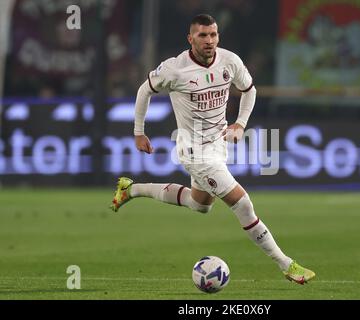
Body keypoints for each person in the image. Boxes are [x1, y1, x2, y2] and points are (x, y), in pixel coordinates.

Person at [109, 14, 315, 285]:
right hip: (195, 151)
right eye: (203, 36)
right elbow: (143, 91)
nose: (209, 41)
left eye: (213, 35)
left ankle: (130, 189)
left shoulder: (229, 61)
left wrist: (240, 124)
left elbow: (250, 90)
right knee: (242, 203)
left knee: (200, 205)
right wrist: (138, 132)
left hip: (218, 146)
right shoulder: (174, 69)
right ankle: (287, 265)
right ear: (190, 38)